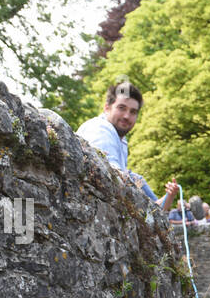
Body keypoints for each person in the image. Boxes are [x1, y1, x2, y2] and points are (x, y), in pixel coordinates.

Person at [75, 82, 179, 211]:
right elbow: (113, 179)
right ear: (107, 108)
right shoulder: (101, 130)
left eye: (133, 112)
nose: (126, 116)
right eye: (121, 108)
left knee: (136, 178)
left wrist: (169, 195)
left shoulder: (120, 139)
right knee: (135, 179)